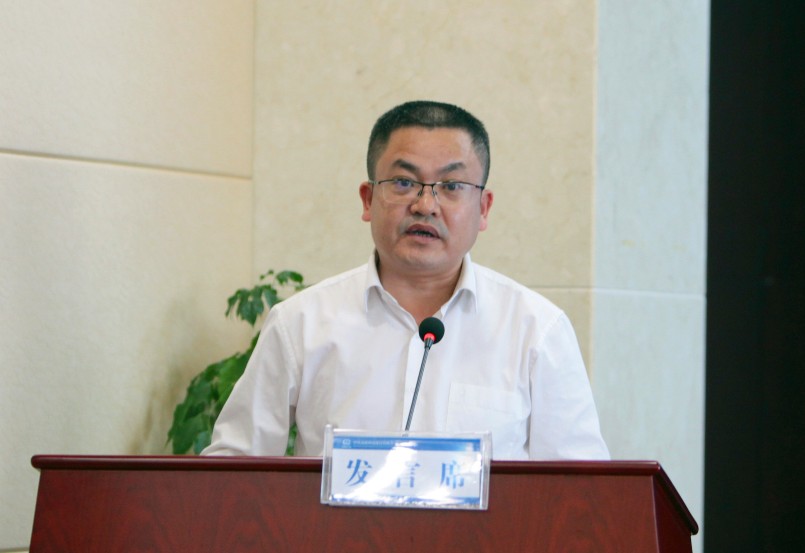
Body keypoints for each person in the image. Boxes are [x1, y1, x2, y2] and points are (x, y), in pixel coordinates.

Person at [203, 100, 609, 460]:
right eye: (403, 183)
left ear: (483, 208)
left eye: (451, 186)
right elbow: (231, 472)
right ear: (368, 199)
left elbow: (580, 494)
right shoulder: (300, 324)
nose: (425, 204)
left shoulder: (537, 330)